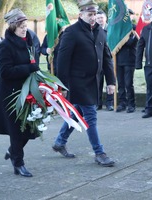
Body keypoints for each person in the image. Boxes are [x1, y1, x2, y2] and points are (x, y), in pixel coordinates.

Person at [52, 0, 115, 167]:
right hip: (77, 83)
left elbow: (107, 57)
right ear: (81, 15)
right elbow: (62, 62)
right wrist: (62, 86)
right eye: (90, 14)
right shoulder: (71, 32)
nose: (93, 17)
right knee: (90, 117)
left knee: (77, 114)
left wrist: (111, 81)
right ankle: (99, 152)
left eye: (95, 14)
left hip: (94, 82)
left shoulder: (100, 31)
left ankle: (60, 142)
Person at [0, 8, 40, 177]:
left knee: (30, 128)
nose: (24, 29)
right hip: (10, 94)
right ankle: (18, 163)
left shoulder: (29, 40)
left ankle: (12, 151)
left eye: (25, 25)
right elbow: (5, 71)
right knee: (17, 130)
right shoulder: (5, 46)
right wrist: (29, 68)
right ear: (11, 27)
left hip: (27, 90)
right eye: (20, 26)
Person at [115, 9, 138, 113]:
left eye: (129, 15)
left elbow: (130, 42)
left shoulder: (134, 29)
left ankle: (131, 104)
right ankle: (122, 103)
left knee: (128, 84)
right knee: (120, 84)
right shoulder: (118, 29)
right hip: (119, 60)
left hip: (129, 60)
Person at [96, 10, 114, 111]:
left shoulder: (111, 30)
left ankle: (109, 103)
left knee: (110, 82)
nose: (99, 20)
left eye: (101, 18)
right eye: (98, 18)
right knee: (98, 82)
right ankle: (98, 103)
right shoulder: (94, 30)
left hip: (109, 60)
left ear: (105, 18)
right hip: (98, 60)